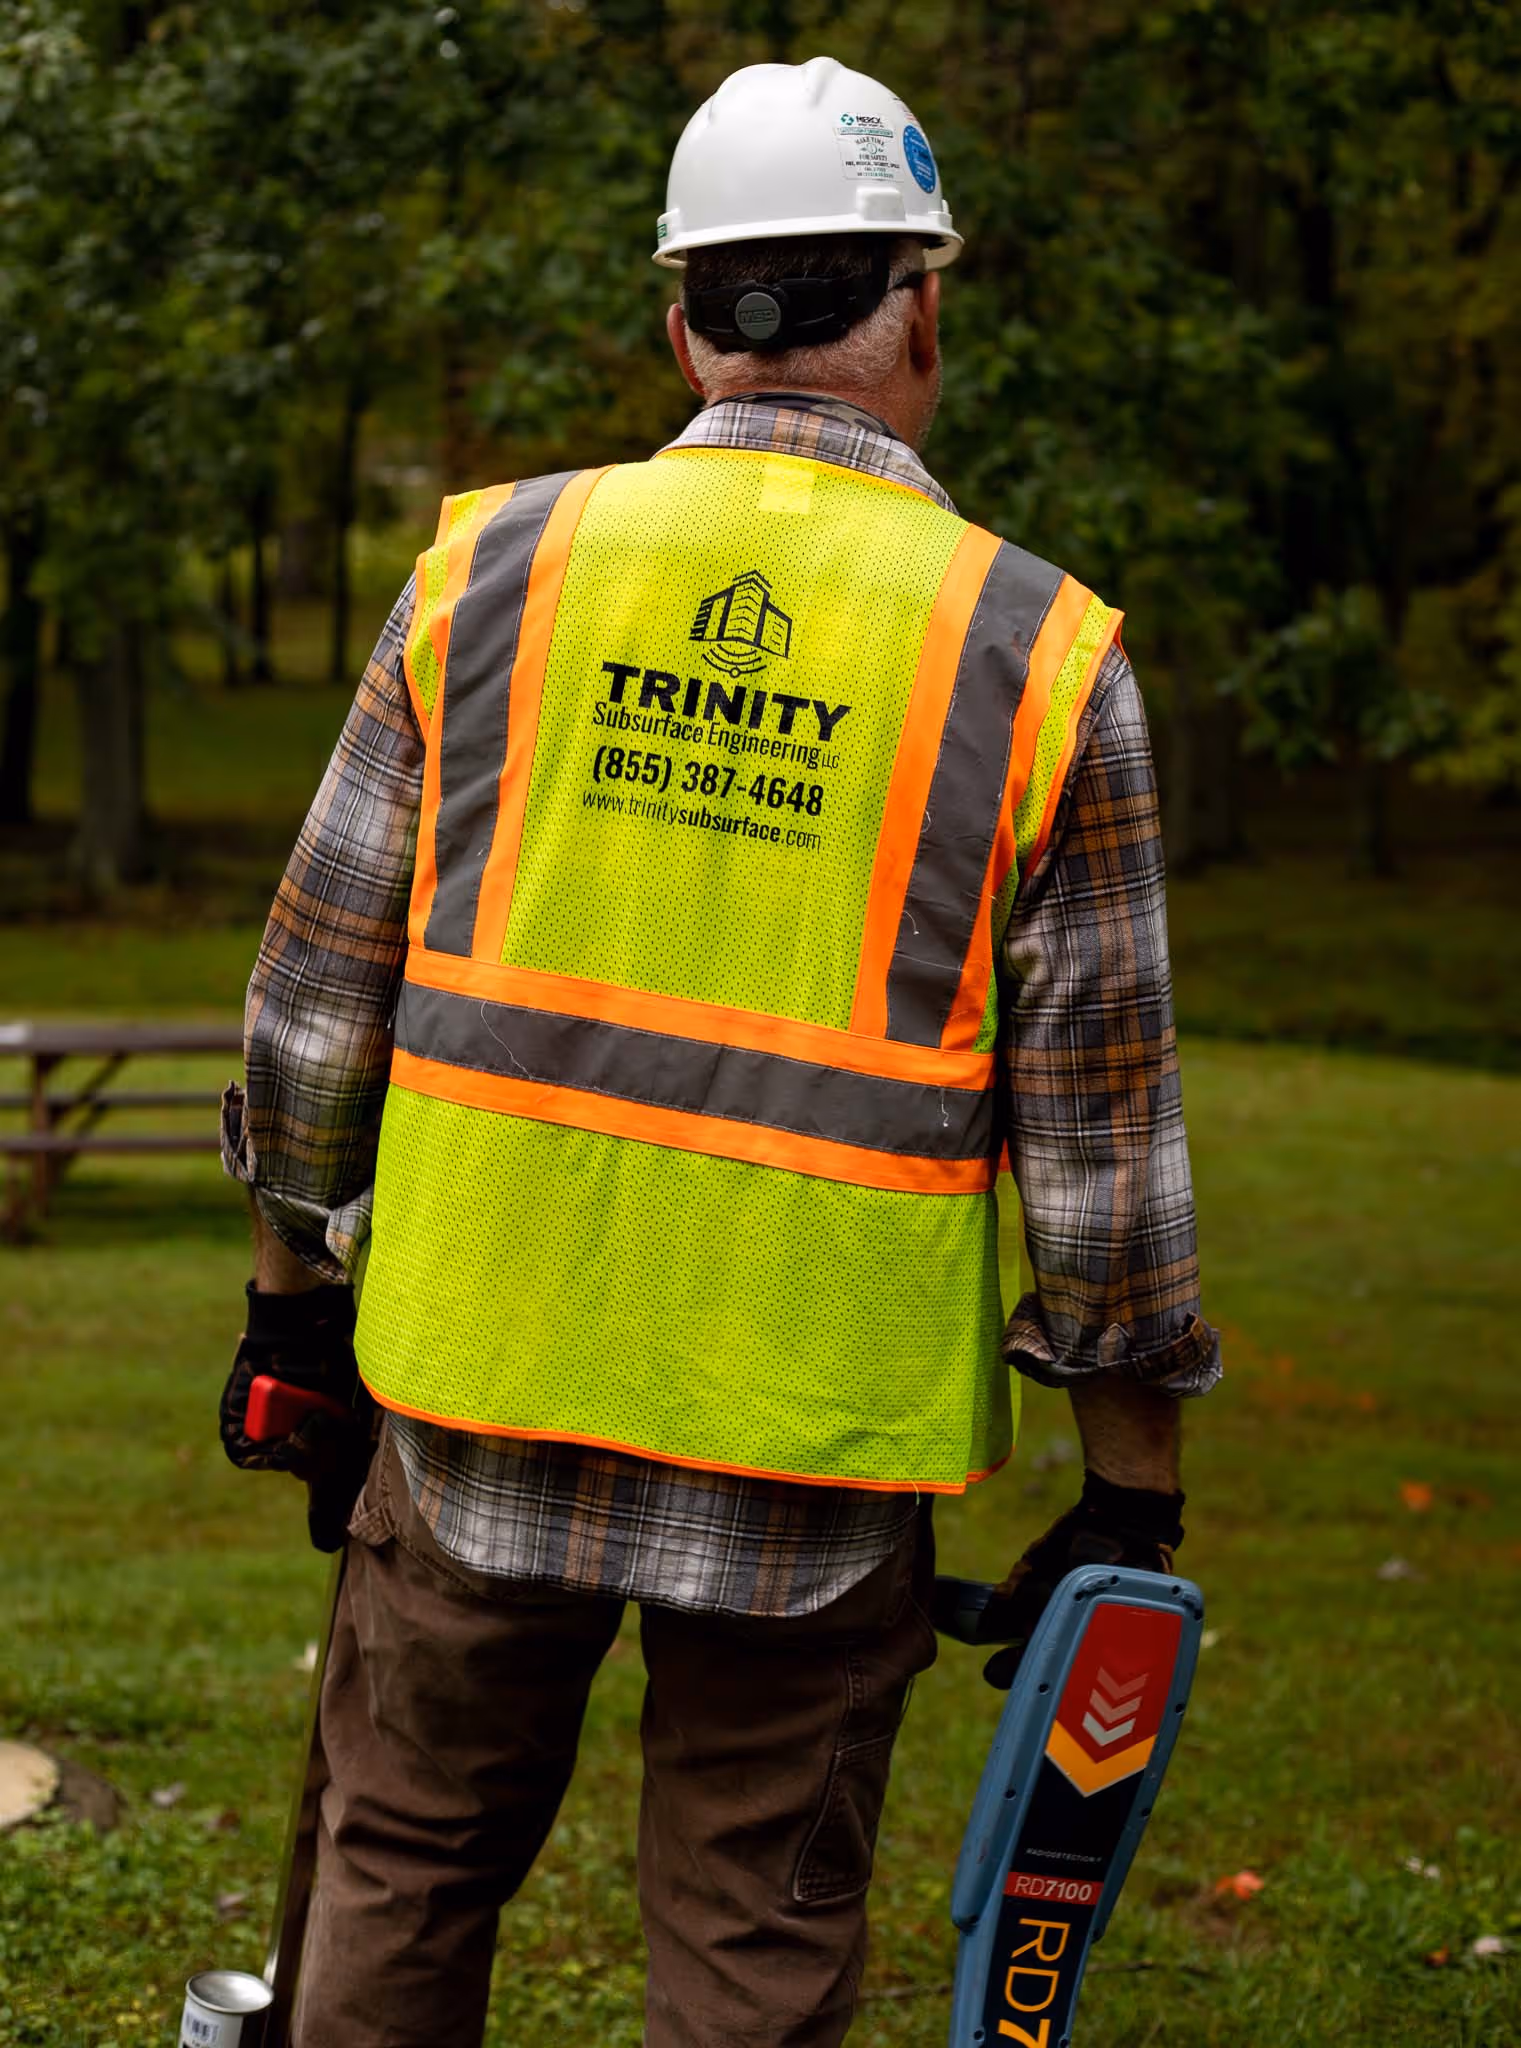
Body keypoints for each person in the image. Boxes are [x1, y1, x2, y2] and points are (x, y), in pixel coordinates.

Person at [219, 54, 1220, 2048]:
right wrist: (1130, 1495)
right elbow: (1103, 1147)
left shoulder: (486, 579)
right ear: (923, 307)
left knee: (401, 1866)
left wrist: (287, 1313)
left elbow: (313, 998)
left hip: (476, 1383)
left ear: (681, 319)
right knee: (754, 1956)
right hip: (809, 1442)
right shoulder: (1036, 658)